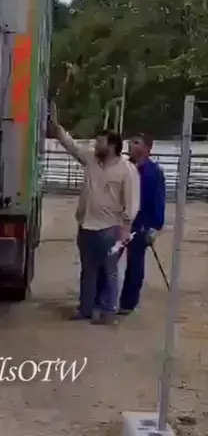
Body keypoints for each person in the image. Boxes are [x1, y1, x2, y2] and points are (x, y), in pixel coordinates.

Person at [49, 110, 140, 324]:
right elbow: (72, 147)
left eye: (100, 142)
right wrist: (58, 130)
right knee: (87, 271)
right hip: (86, 225)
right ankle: (86, 309)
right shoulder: (91, 160)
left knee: (109, 272)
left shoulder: (127, 170)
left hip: (110, 228)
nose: (95, 145)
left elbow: (132, 201)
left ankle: (108, 311)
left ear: (112, 146)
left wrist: (125, 229)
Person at [117, 133, 166, 315]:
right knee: (108, 260)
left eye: (136, 143)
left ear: (147, 148)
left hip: (141, 225)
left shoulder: (154, 172)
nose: (131, 145)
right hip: (119, 223)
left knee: (135, 265)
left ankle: (128, 303)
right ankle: (102, 299)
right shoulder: (121, 166)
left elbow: (158, 200)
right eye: (131, 142)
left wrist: (155, 227)